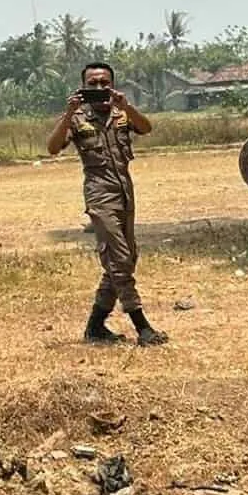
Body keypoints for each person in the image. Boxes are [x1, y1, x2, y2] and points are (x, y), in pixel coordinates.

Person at [46, 62, 168, 346]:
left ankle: (95, 325)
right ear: (83, 87)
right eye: (93, 84)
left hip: (125, 190)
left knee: (126, 258)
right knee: (120, 260)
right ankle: (142, 326)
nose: (99, 88)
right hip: (99, 192)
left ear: (112, 84)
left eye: (104, 83)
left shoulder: (121, 113)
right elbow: (52, 148)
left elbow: (146, 128)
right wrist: (67, 114)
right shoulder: (76, 118)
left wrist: (127, 106)